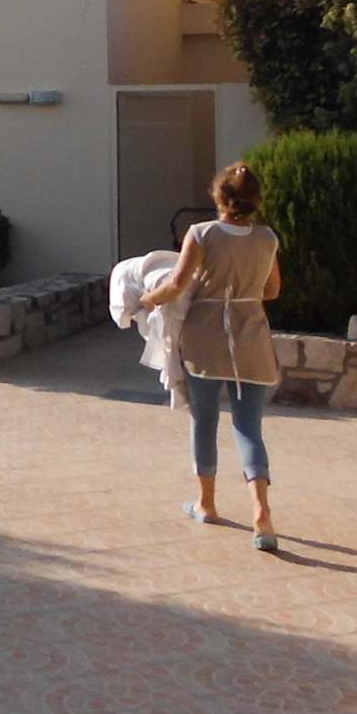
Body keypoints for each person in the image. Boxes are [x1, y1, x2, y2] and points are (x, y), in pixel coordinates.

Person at [143, 162, 285, 551]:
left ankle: (206, 503)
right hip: (252, 338)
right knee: (249, 427)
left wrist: (147, 299)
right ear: (256, 200)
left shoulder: (201, 233)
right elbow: (272, 290)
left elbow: (177, 283)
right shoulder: (268, 238)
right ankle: (262, 513)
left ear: (220, 197)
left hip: (205, 339)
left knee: (204, 421)